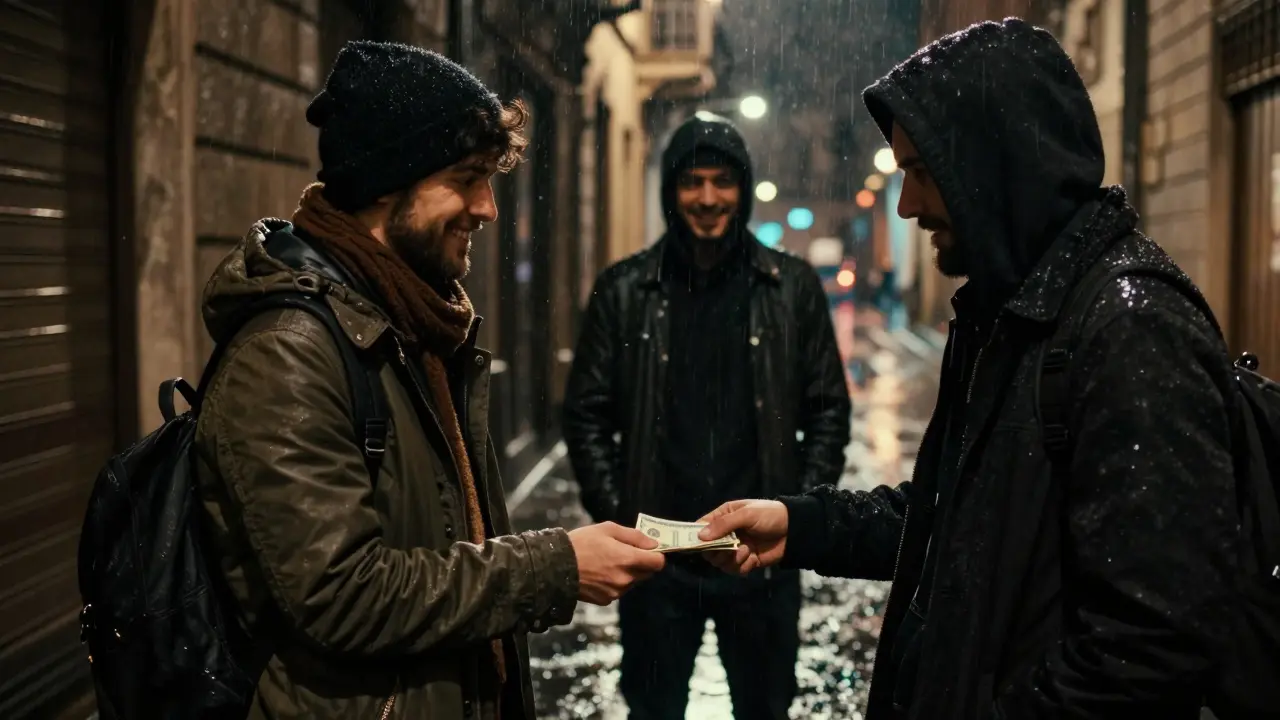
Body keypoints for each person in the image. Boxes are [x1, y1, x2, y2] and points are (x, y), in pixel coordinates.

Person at [697, 19, 1239, 720]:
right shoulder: (1011, 310)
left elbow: (1152, 644)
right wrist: (796, 524)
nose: (908, 205)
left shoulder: (1131, 327)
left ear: (996, 164)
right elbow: (956, 518)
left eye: (923, 172)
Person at [193, 41, 665, 720]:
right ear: (389, 180)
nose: (488, 208)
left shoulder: (409, 319)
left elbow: (441, 545)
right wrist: (553, 567)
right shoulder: (289, 352)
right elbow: (341, 596)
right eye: (467, 178)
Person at [562, 112, 851, 719]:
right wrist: (619, 512)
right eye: (692, 182)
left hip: (758, 554)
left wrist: (794, 514)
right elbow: (587, 414)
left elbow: (828, 411)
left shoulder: (790, 286)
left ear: (742, 189)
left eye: (723, 181)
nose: (708, 198)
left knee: (766, 706)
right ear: (671, 191)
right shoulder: (623, 290)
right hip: (656, 557)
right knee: (653, 707)